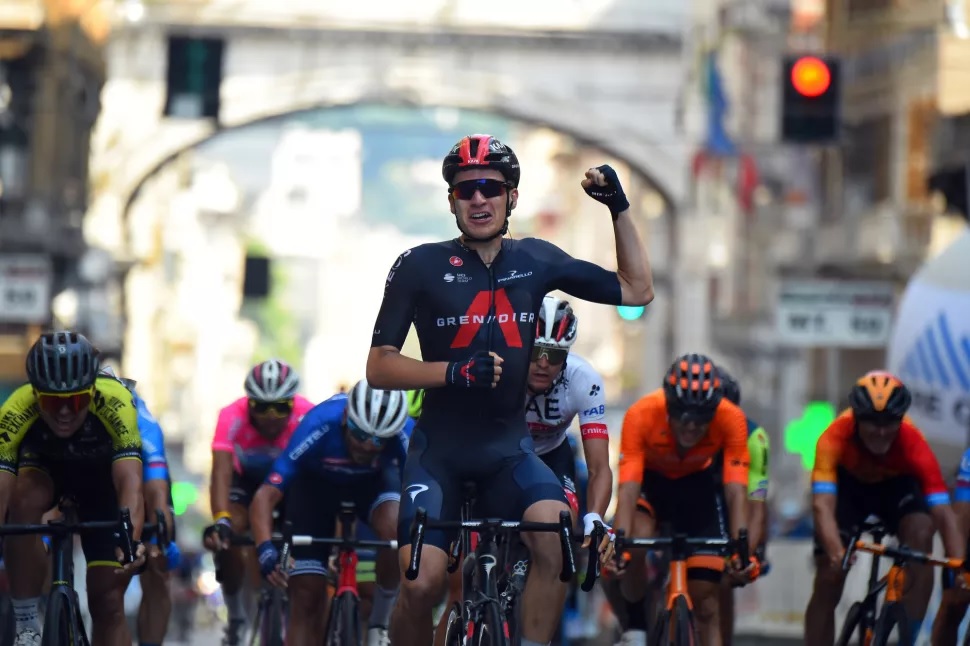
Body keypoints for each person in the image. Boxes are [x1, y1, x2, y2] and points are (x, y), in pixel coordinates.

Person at [367, 133, 654, 646]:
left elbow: (637, 289)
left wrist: (619, 208)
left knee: (558, 541)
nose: (479, 199)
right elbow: (379, 367)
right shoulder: (418, 265)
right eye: (466, 190)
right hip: (439, 454)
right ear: (451, 201)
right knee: (423, 583)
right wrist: (454, 372)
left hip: (508, 451)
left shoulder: (536, 260)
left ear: (512, 197)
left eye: (490, 188)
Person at [433, 294, 611, 646]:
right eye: (535, 351)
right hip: (488, 455)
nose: (543, 363)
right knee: (458, 580)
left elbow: (599, 466)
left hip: (550, 458)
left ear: (567, 355)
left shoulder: (583, 379)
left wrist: (595, 517)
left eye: (554, 355)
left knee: (559, 542)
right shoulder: (493, 369)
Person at [0, 331, 146, 646]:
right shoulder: (15, 408)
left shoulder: (116, 402)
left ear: (92, 391)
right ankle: (26, 625)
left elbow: (130, 482)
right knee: (21, 500)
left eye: (77, 401)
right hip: (45, 470)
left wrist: (130, 540)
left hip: (100, 482)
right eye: (52, 402)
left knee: (108, 603)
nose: (64, 412)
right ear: (35, 394)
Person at [806, 371, 966, 646]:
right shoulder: (833, 437)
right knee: (829, 576)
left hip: (897, 489)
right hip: (849, 490)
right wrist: (835, 551)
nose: (881, 431)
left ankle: (907, 636)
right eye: (872, 421)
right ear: (857, 418)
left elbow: (943, 513)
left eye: (889, 422)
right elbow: (822, 504)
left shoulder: (913, 441)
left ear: (901, 419)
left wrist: (959, 567)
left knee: (922, 533)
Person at [250, 380, 412, 646]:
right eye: (359, 435)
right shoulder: (319, 422)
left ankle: (380, 622)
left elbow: (422, 491)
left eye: (379, 440)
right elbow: (266, 495)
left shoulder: (404, 431)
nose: (367, 446)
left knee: (397, 530)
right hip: (316, 489)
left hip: (373, 484)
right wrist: (265, 548)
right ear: (346, 418)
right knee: (306, 596)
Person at [613, 353, 752, 646]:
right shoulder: (641, 414)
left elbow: (736, 490)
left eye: (702, 418)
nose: (691, 426)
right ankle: (636, 624)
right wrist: (620, 544)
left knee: (706, 600)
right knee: (634, 543)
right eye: (682, 415)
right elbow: (628, 487)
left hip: (697, 489)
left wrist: (741, 546)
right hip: (652, 484)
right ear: (668, 405)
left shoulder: (731, 418)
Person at [203, 359, 314, 645]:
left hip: (289, 486)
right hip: (246, 484)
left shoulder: (308, 415)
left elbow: (318, 475)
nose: (272, 416)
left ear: (293, 403)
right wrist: (221, 520)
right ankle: (236, 617)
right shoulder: (231, 416)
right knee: (228, 533)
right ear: (249, 403)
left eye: (281, 407)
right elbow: (221, 474)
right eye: (262, 407)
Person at [98, 366, 180, 646]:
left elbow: (157, 491)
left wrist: (160, 537)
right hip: (100, 481)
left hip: (144, 482)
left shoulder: (143, 422)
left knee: (158, 565)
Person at [714, 367, 769, 646]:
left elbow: (756, 506)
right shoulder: (687, 428)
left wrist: (744, 553)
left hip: (734, 500)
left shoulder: (754, 437)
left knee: (724, 579)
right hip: (698, 493)